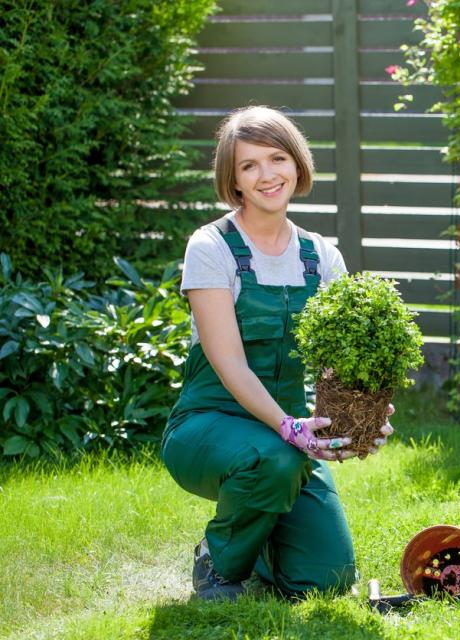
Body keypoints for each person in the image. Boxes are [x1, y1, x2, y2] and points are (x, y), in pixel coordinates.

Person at [161, 105, 393, 601]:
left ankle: (263, 529)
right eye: (249, 166)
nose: (268, 175)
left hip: (286, 438)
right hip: (209, 426)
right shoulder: (211, 247)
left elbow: (337, 367)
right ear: (234, 180)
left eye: (277, 158)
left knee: (326, 578)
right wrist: (289, 429)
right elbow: (229, 364)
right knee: (275, 462)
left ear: (297, 163)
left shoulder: (320, 256)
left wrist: (362, 419)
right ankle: (218, 561)